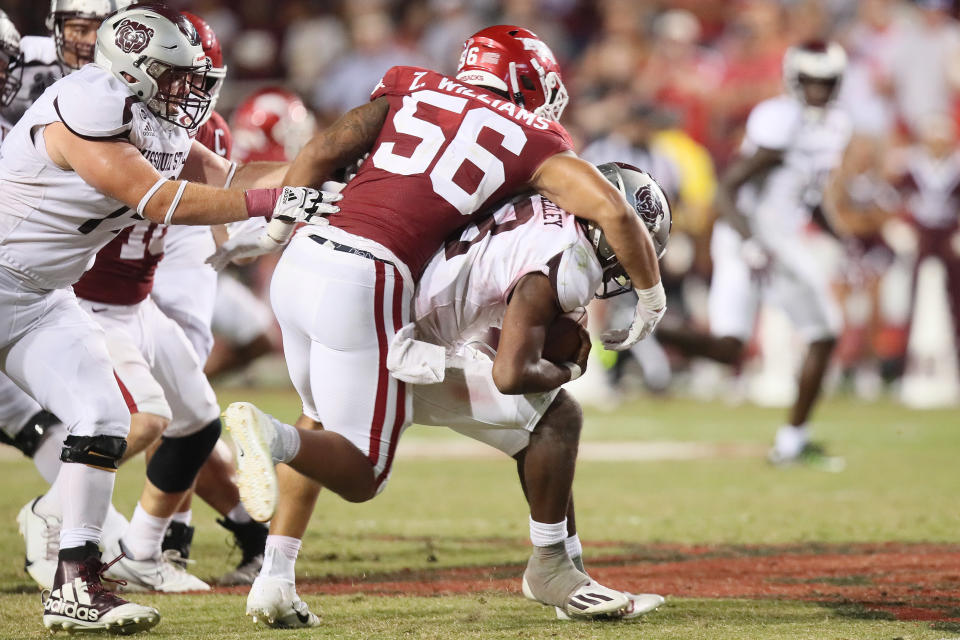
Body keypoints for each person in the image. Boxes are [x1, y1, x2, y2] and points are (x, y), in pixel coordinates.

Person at [222, 25, 666, 621]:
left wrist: (276, 227)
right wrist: (649, 296)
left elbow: (328, 148)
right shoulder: (548, 180)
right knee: (388, 462)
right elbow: (609, 213)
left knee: (324, 414)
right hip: (375, 295)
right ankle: (554, 570)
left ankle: (274, 577)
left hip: (303, 258)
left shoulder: (414, 87)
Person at [0, 4, 337, 632]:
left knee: (103, 418)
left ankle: (75, 582)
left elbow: (232, 175)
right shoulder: (85, 104)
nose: (187, 89)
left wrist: (337, 170)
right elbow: (156, 198)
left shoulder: (156, 121)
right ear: (131, 70)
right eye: (172, 74)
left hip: (43, 296)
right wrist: (273, 200)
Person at [656, 41, 851, 469]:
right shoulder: (780, 118)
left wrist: (841, 237)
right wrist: (749, 242)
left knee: (729, 349)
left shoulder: (836, 124)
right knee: (823, 334)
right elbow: (727, 188)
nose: (818, 91)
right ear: (795, 80)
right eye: (811, 82)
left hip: (775, 236)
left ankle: (648, 328)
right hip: (753, 234)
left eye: (826, 83)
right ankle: (793, 442)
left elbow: (809, 193)